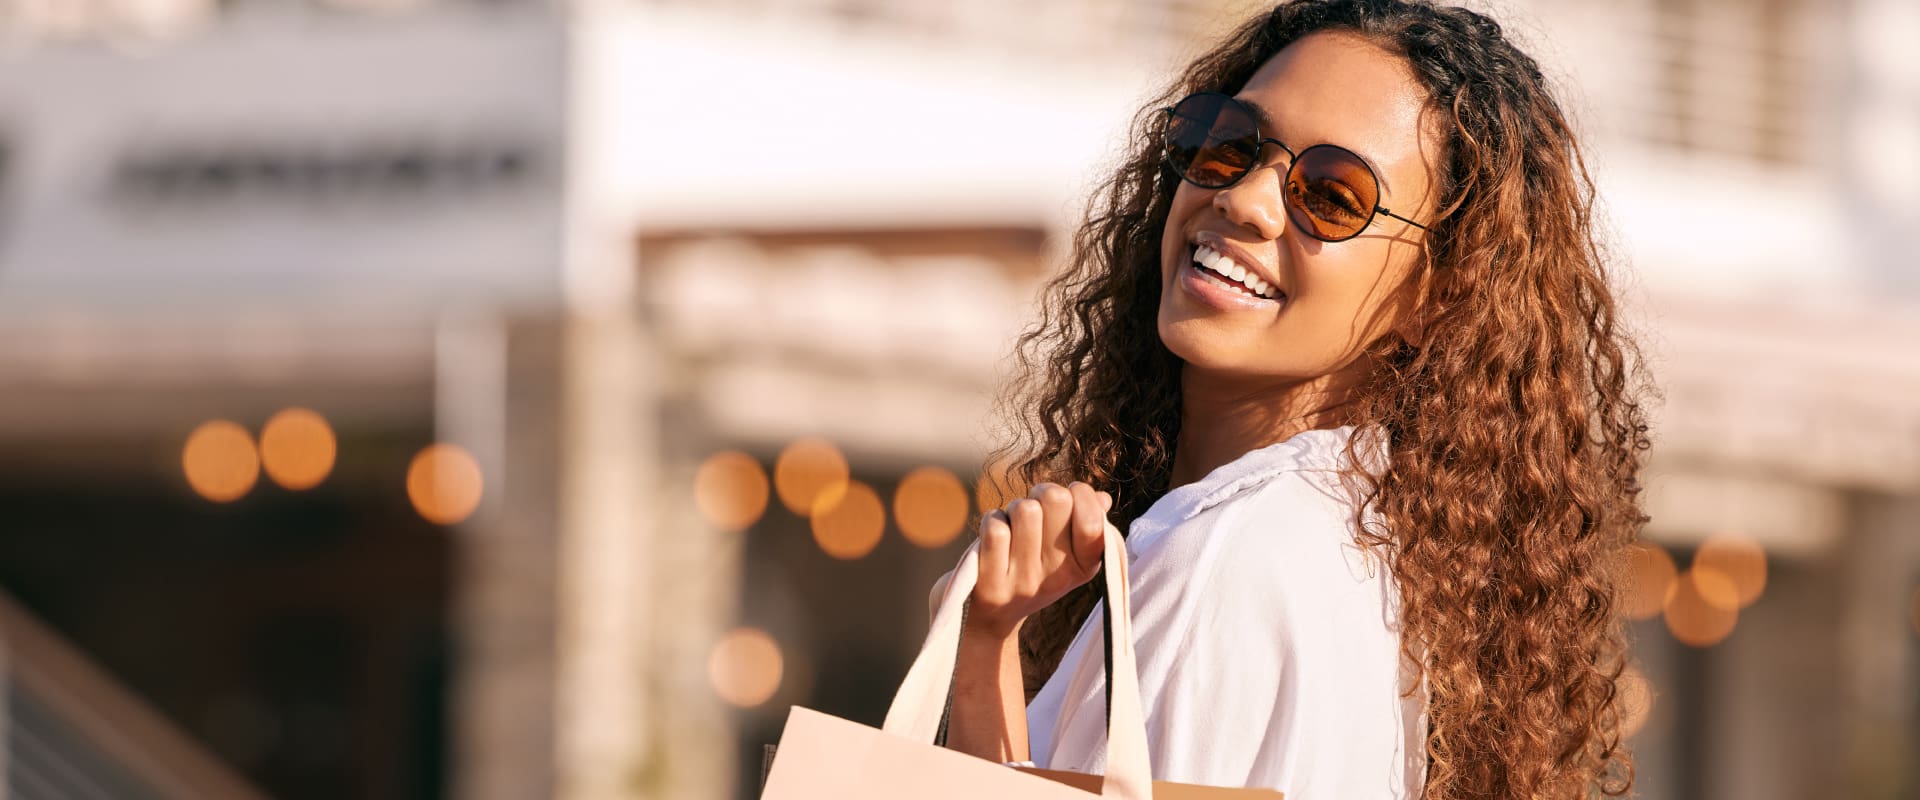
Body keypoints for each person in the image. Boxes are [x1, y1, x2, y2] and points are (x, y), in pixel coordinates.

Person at [936, 1, 1653, 798]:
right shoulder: (1378, 553)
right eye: (1228, 143)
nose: (1245, 199)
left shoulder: (1225, 551)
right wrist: (986, 648)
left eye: (1335, 195)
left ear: (1440, 297)